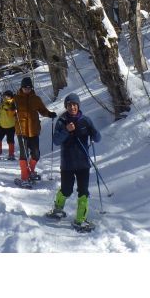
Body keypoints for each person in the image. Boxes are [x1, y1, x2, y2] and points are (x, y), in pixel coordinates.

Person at [47, 93, 101, 232]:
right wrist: (66, 130)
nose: (72, 107)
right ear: (66, 106)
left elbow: (98, 137)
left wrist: (94, 134)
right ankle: (57, 209)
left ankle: (80, 220)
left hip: (83, 164)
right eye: (69, 105)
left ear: (78, 105)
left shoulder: (86, 120)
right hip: (68, 164)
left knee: (83, 192)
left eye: (74, 104)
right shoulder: (62, 121)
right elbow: (56, 141)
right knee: (67, 190)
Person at [13, 76, 56, 183]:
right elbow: (10, 112)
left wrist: (49, 114)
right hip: (22, 130)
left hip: (33, 130)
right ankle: (24, 176)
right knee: (24, 154)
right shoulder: (16, 99)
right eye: (25, 88)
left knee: (36, 154)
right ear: (21, 88)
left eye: (29, 88)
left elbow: (42, 110)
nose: (27, 90)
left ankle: (30, 171)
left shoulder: (36, 99)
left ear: (31, 88)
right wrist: (11, 109)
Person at [0, 90, 17, 160]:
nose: (5, 97)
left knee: (10, 140)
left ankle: (11, 154)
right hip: (2, 125)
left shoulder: (12, 103)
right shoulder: (2, 104)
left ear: (10, 97)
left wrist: (11, 107)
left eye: (7, 96)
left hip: (10, 126)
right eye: (4, 96)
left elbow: (12, 113)